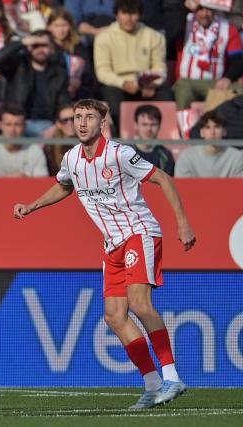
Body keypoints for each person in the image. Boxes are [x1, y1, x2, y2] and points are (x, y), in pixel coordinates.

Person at [13, 98, 196, 410]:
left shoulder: (120, 154)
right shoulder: (71, 159)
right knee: (114, 316)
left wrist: (183, 222)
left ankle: (172, 375)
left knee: (139, 303)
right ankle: (152, 385)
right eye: (77, 117)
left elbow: (162, 178)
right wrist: (32, 206)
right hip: (111, 244)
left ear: (103, 123)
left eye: (89, 117)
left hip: (139, 232)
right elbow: (63, 186)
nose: (82, 123)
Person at [94, 0, 173, 131]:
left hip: (146, 84)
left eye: (133, 13)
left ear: (140, 15)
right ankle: (120, 135)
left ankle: (165, 135)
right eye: (124, 13)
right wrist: (123, 83)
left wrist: (153, 83)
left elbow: (160, 68)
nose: (129, 19)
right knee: (111, 92)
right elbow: (102, 72)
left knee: (165, 93)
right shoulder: (103, 37)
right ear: (116, 15)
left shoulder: (154, 36)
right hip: (119, 84)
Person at [0, 29, 71, 137]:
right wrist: (22, 42)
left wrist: (56, 126)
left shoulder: (59, 73)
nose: (40, 49)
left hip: (48, 124)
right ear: (28, 47)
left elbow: (63, 104)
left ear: (52, 49)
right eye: (35, 45)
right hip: (19, 123)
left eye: (44, 45)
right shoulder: (18, 65)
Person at [173, 1, 243, 110]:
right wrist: (185, 9)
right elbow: (171, 35)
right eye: (201, 9)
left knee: (239, 90)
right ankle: (185, 125)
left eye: (209, 9)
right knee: (183, 88)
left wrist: (228, 77)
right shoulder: (184, 22)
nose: (205, 14)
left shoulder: (228, 28)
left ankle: (215, 123)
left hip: (214, 83)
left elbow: (237, 59)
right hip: (187, 81)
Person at [0, 103, 48, 177]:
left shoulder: (35, 150)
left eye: (17, 124)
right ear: (0, 125)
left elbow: (43, 184)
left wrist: (24, 180)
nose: (12, 130)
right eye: (8, 124)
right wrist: (10, 180)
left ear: (24, 126)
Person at [175, 110, 243, 177]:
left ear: (224, 131)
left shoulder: (237, 157)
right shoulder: (186, 157)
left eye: (217, 127)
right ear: (201, 132)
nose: (212, 132)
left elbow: (239, 186)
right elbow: (182, 186)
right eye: (208, 127)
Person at [131, 104, 175, 176]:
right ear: (136, 125)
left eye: (153, 125)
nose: (149, 129)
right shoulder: (124, 152)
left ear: (159, 126)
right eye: (144, 124)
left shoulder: (165, 156)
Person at [43, 104, 75, 176]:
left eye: (73, 118)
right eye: (65, 120)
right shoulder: (50, 148)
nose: (70, 123)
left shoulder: (88, 143)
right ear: (58, 124)